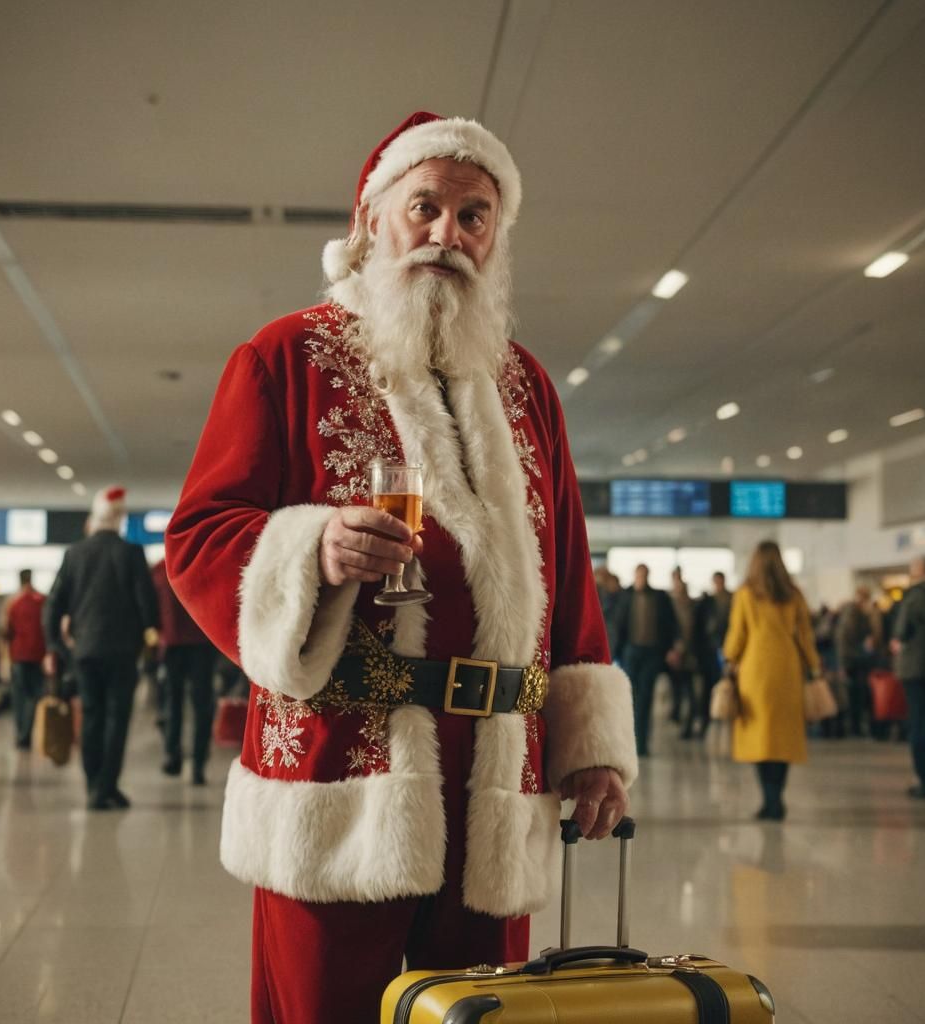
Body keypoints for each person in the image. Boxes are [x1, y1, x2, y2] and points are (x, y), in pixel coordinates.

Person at [164, 111, 637, 1024]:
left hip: (497, 778)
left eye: (474, 216)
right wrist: (315, 550)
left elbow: (568, 571)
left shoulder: (525, 384)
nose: (446, 235)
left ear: (495, 238)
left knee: (482, 1014)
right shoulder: (286, 356)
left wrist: (592, 752)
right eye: (425, 207)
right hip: (341, 769)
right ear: (371, 220)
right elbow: (201, 535)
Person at [44, 486, 159, 810]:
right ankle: (105, 785)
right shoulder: (131, 553)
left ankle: (95, 783)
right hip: (123, 651)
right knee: (117, 718)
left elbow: (54, 605)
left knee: (92, 716)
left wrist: (55, 645)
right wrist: (150, 634)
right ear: (119, 517)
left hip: (85, 651)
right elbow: (147, 604)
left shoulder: (75, 554)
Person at [723, 541, 821, 820]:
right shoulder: (794, 594)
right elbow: (805, 635)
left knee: (759, 736)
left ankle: (768, 800)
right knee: (782, 737)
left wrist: (730, 659)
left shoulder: (746, 594)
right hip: (787, 670)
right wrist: (814, 666)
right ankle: (778, 798)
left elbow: (737, 634)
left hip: (755, 671)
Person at [150, 558, 216, 785]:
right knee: (200, 706)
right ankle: (196, 763)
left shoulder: (160, 569)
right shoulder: (204, 563)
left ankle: (174, 755)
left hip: (174, 645)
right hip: (200, 644)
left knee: (173, 701)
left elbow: (151, 608)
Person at [614, 563, 677, 757]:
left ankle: (642, 743)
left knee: (645, 698)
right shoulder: (626, 596)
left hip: (652, 653)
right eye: (638, 575)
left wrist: (669, 649)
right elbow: (617, 624)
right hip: (631, 652)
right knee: (629, 697)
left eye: (644, 575)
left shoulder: (659, 597)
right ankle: (628, 742)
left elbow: (670, 624)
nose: (641, 578)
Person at [891, 555, 925, 799]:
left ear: (919, 571)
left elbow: (901, 633)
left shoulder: (914, 596)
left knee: (920, 725)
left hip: (917, 669)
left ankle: (924, 782)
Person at [1, 569, 47, 749]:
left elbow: (6, 631)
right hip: (38, 655)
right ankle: (26, 733)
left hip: (18, 655)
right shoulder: (42, 601)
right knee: (34, 695)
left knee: (19, 695)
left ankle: (21, 733)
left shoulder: (13, 602)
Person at [693, 571, 731, 736]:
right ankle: (706, 721)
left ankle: (725, 717)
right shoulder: (707, 603)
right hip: (709, 651)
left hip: (726, 650)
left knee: (726, 686)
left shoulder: (732, 600)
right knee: (707, 688)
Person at [835, 586, 876, 737]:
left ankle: (856, 727)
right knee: (855, 696)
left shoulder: (853, 613)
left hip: (853, 659)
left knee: (856, 696)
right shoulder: (853, 613)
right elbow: (846, 640)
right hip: (853, 660)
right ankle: (855, 728)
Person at [666, 567, 697, 738]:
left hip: (689, 656)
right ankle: (678, 716)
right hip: (676, 655)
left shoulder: (692, 606)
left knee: (689, 691)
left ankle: (687, 724)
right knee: (678, 690)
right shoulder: (669, 604)